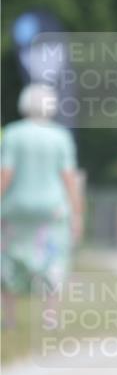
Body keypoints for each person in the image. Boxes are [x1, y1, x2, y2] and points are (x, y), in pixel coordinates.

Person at [1, 83, 82, 328]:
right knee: (53, 260)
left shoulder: (13, 133)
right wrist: (77, 213)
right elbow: (69, 178)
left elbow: (5, 174)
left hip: (16, 209)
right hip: (53, 210)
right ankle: (50, 317)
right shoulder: (61, 136)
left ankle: (10, 318)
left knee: (9, 260)